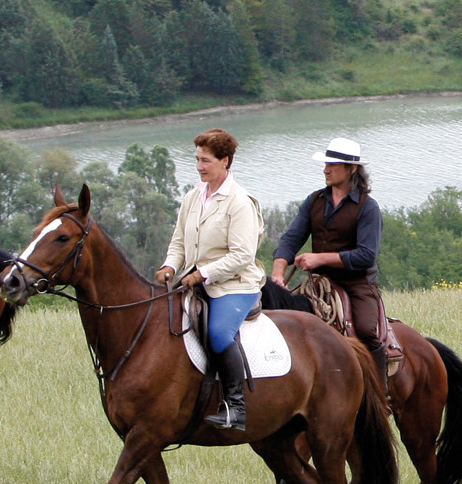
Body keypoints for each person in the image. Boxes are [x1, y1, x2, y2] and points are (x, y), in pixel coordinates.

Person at [154, 128, 265, 431]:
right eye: (197, 160)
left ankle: (235, 407)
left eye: (206, 161)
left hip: (234, 285)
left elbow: (242, 255)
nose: (199, 167)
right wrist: (169, 266)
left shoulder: (240, 202)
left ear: (224, 161)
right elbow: (179, 242)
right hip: (193, 281)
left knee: (218, 333)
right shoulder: (192, 197)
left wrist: (202, 274)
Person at [270, 137, 394, 393]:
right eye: (326, 164)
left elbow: (366, 255)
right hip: (319, 283)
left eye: (333, 165)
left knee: (366, 331)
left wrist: (320, 258)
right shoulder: (314, 200)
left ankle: (379, 394)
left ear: (352, 169)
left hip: (357, 283)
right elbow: (291, 238)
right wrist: (278, 273)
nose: (326, 170)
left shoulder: (368, 207)